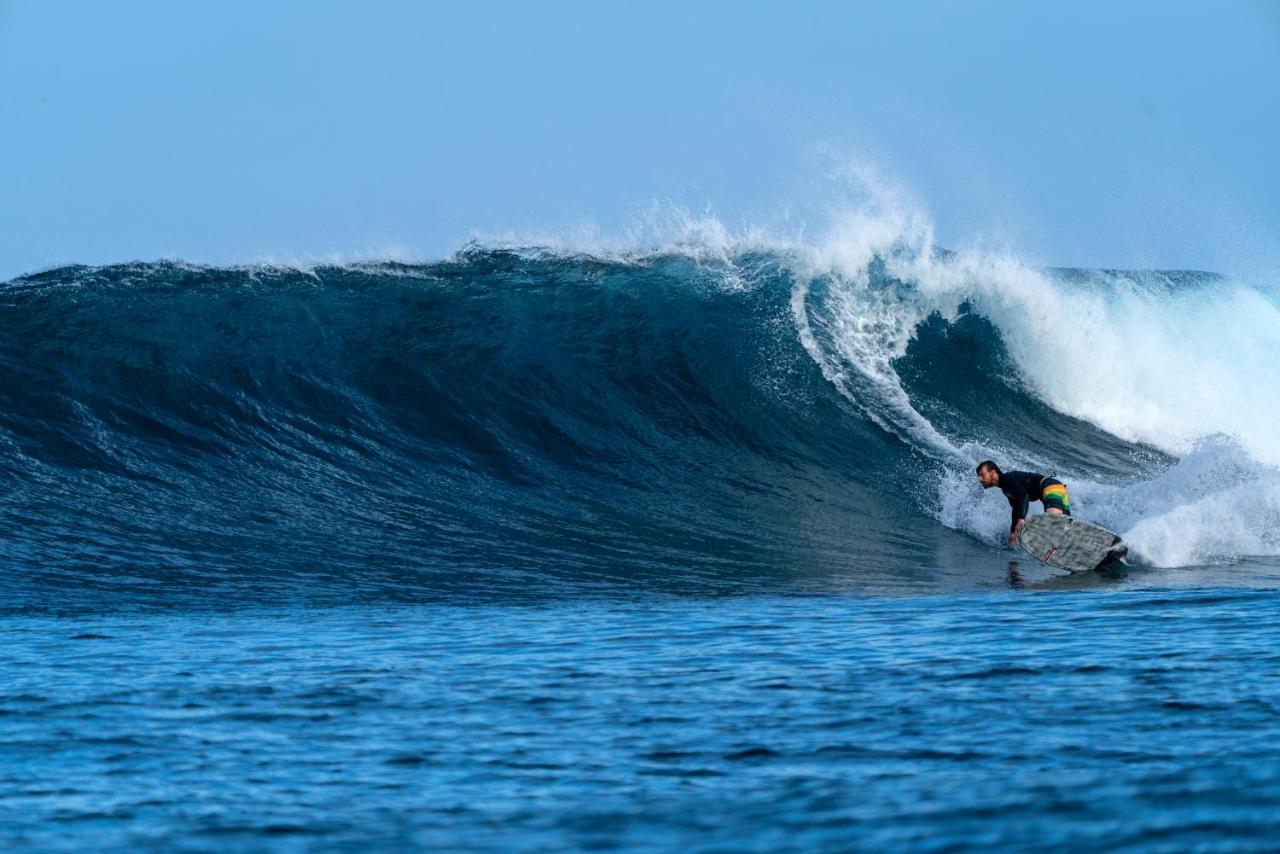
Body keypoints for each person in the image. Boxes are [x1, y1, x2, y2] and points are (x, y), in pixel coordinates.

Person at [975, 460, 1071, 546]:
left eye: (982, 474)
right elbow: (1016, 509)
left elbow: (1024, 496)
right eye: (978, 476)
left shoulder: (1008, 479)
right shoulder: (1006, 488)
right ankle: (1069, 540)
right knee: (1064, 525)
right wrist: (1013, 532)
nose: (980, 479)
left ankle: (1058, 541)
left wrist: (1021, 519)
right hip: (1059, 489)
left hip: (1051, 487)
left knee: (1054, 519)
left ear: (993, 472)